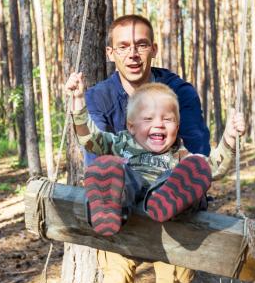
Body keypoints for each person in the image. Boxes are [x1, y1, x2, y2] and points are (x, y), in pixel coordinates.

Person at [69, 14, 220, 283]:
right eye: (123, 47)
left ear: (153, 48)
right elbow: (96, 153)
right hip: (121, 209)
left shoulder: (177, 91)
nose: (133, 54)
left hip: (173, 207)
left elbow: (198, 155)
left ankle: (164, 197)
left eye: (140, 45)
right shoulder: (98, 96)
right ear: (110, 53)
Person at [66, 80, 245, 237]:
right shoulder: (120, 143)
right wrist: (78, 102)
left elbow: (213, 168)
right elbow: (90, 139)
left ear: (177, 126)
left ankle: (169, 197)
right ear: (131, 126)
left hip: (170, 230)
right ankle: (108, 204)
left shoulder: (180, 155)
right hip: (127, 220)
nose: (158, 124)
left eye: (167, 119)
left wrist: (229, 137)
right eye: (148, 119)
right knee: (116, 168)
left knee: (191, 169)